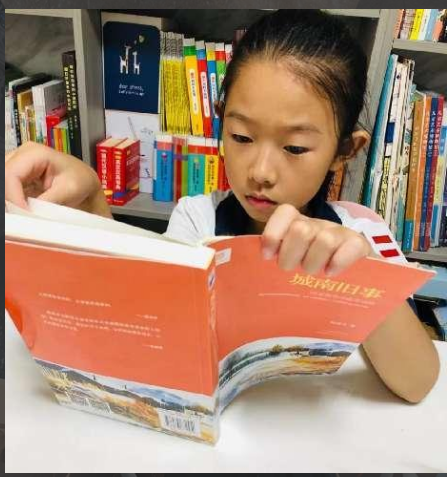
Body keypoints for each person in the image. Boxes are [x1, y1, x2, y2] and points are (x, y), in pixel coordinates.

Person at [5, 10, 439, 402]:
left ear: (345, 150)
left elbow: (417, 383)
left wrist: (361, 274)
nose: (260, 172)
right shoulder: (198, 219)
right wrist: (93, 206)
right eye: (241, 137)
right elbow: (143, 328)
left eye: (294, 147)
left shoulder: (362, 234)